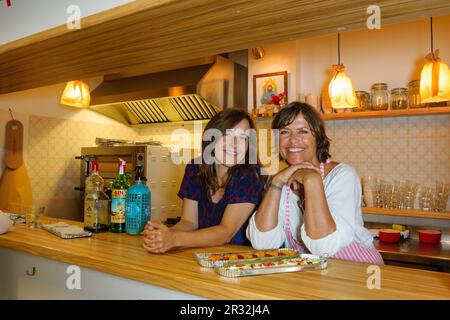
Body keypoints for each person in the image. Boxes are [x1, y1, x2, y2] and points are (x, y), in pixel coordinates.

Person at [246, 102, 384, 265]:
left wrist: (311, 180)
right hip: (311, 276)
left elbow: (324, 246)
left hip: (357, 273)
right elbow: (263, 243)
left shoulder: (342, 175)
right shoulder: (281, 180)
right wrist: (275, 183)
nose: (293, 140)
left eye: (303, 131)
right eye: (285, 132)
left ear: (317, 138)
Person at [142, 109, 265, 253]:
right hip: (201, 256)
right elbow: (189, 222)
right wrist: (161, 235)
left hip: (238, 261)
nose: (235, 144)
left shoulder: (249, 175)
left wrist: (174, 239)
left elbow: (226, 232)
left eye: (243, 137)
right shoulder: (195, 168)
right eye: (228, 135)